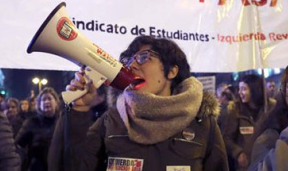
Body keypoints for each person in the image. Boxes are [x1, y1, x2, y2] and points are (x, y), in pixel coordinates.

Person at [48, 35, 229, 171]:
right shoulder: (112, 119)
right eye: (128, 61)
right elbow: (72, 166)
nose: (132, 66)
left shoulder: (202, 123)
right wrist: (77, 110)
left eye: (144, 57)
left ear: (172, 71)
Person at [223, 74, 274, 171]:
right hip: (245, 166)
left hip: (267, 163)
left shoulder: (270, 108)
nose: (239, 92)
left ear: (254, 90)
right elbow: (226, 138)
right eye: (239, 89)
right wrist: (238, 153)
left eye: (243, 89)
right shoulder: (235, 110)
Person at [16, 87, 60, 171]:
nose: (47, 102)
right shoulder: (31, 122)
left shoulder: (62, 122)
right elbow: (18, 145)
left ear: (56, 103)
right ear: (39, 104)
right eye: (43, 100)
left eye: (50, 99)